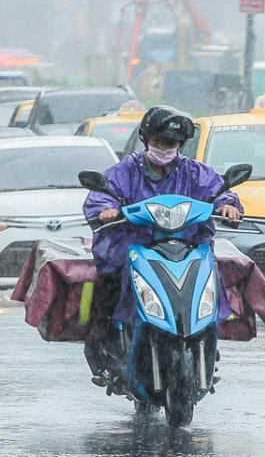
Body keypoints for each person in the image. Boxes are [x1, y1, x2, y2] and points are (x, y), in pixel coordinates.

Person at [82, 106, 243, 375]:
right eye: (157, 142)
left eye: (170, 143)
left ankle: (205, 339)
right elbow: (104, 194)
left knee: (213, 276)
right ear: (146, 140)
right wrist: (106, 209)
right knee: (109, 285)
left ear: (180, 145)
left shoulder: (194, 172)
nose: (163, 148)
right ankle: (109, 340)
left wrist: (227, 204)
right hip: (135, 248)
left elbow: (218, 191)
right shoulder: (127, 170)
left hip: (187, 247)